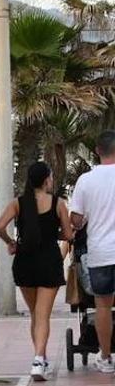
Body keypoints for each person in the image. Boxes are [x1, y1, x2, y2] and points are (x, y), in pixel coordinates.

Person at [0, 161, 73, 381]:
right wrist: (54, 233)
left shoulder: (18, 203)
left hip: (24, 261)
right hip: (49, 261)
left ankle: (41, 358)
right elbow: (68, 235)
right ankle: (39, 359)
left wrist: (11, 242)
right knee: (43, 315)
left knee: (34, 314)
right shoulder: (59, 204)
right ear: (47, 179)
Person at [70, 130, 115, 372]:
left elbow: (76, 220)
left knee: (103, 306)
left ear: (98, 151)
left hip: (100, 254)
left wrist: (81, 220)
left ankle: (106, 357)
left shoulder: (86, 181)